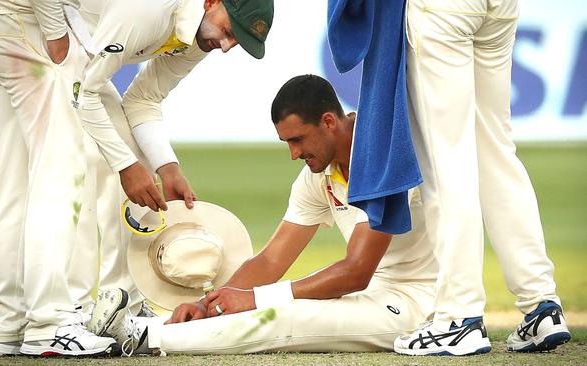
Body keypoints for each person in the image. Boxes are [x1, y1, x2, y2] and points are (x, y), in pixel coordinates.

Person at [89, 74, 438, 356]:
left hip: (415, 303)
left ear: (329, 121)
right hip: (370, 295)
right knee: (268, 301)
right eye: (287, 142)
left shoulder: (384, 157)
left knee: (282, 311)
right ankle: (145, 327)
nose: (293, 153)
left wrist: (255, 298)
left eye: (298, 139)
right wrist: (208, 303)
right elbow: (270, 260)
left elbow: (356, 272)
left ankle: (140, 337)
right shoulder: (317, 176)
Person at [66, 0, 275, 318]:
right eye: (229, 31)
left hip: (80, 62)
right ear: (211, 2)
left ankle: (120, 305)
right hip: (46, 42)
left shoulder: (198, 36)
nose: (225, 46)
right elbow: (85, 91)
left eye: (237, 42)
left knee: (135, 155)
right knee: (84, 168)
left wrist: (168, 168)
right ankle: (75, 309)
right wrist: (126, 167)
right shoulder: (148, 10)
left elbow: (143, 98)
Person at [394, 0, 571, 356]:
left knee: (447, 161)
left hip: (443, 10)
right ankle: (541, 306)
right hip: (501, 6)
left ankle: (458, 318)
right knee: (497, 151)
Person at [0, 0, 118, 357]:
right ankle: (49, 324)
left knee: (14, 184)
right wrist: (56, 33)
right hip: (26, 29)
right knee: (60, 173)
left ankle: (11, 325)